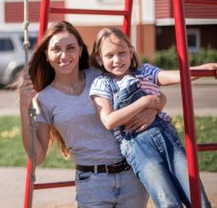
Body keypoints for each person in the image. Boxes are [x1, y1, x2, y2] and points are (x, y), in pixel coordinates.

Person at [18, 21, 153, 207]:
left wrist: (155, 107)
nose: (64, 55)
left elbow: (145, 87)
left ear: (80, 50)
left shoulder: (101, 75)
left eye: (70, 48)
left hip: (132, 175)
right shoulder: (44, 99)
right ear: (47, 55)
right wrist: (23, 109)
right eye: (56, 49)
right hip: (92, 183)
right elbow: (37, 156)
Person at [89, 27, 214, 207]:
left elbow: (178, 76)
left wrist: (205, 68)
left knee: (196, 196)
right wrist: (147, 101)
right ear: (99, 58)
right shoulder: (102, 84)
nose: (117, 60)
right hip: (137, 147)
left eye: (122, 53)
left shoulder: (146, 72)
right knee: (167, 200)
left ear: (131, 52)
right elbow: (109, 121)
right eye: (109, 55)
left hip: (166, 137)